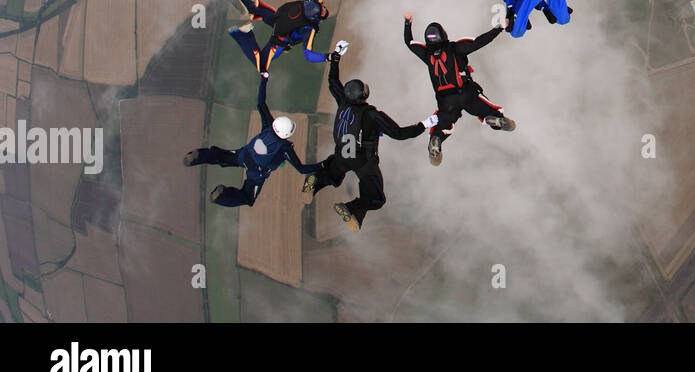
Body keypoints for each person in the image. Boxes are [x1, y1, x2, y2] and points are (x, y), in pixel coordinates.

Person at [301, 47, 432, 230]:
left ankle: (316, 183)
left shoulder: (343, 101)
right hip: (362, 161)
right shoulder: (371, 114)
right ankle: (350, 208)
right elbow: (398, 134)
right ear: (363, 95)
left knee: (333, 175)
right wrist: (425, 124)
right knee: (376, 199)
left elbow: (332, 82)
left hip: (341, 154)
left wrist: (335, 60)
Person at [183, 74, 321, 207]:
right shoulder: (285, 148)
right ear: (287, 134)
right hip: (256, 171)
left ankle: (198, 157)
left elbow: (261, 103)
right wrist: (324, 165)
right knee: (248, 198)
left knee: (221, 156)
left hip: (245, 154)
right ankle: (222, 196)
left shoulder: (268, 126)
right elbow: (302, 169)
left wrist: (264, 79)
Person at [404, 15, 512, 166]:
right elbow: (479, 42)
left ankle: (437, 139)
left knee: (444, 124)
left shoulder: (427, 54)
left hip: (445, 101)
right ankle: (493, 118)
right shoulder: (455, 48)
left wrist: (407, 24)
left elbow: (409, 43)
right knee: (484, 107)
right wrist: (500, 27)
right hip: (465, 91)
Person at [227, 0, 348, 74]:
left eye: (322, 8)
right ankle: (241, 34)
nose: (323, 8)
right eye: (322, 10)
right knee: (262, 65)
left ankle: (248, 5)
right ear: (315, 17)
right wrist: (328, 57)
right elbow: (308, 55)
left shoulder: (315, 0)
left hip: (278, 19)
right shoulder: (309, 29)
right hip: (281, 38)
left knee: (263, 12)